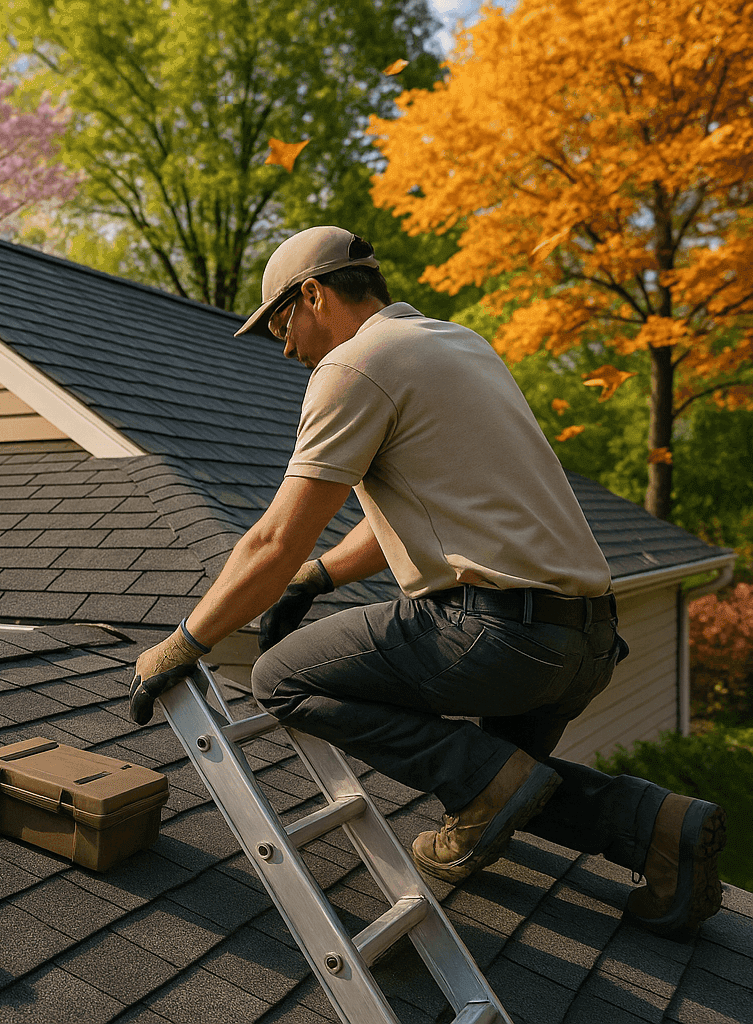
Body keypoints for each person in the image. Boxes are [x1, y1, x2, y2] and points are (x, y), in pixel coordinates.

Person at [127, 226, 726, 937]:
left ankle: (491, 784)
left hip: (500, 636)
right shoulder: (456, 343)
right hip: (586, 639)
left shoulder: (353, 366)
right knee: (511, 792)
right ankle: (661, 826)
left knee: (281, 678)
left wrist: (184, 642)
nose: (285, 347)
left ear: (314, 293)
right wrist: (314, 581)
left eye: (284, 322)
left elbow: (274, 538)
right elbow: (399, 523)